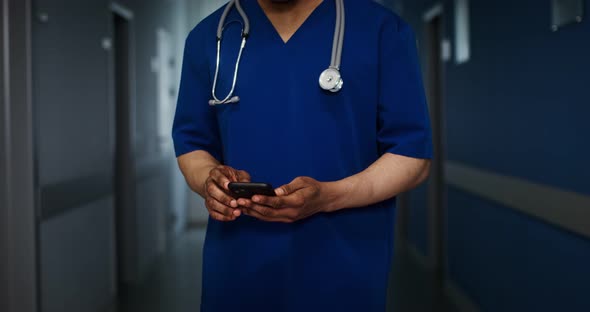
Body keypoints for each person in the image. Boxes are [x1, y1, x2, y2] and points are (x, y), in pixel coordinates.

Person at [172, 0, 432, 311]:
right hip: (237, 267)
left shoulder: (382, 30)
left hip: (344, 265)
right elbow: (192, 142)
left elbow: (412, 155)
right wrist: (209, 181)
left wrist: (329, 196)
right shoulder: (209, 36)